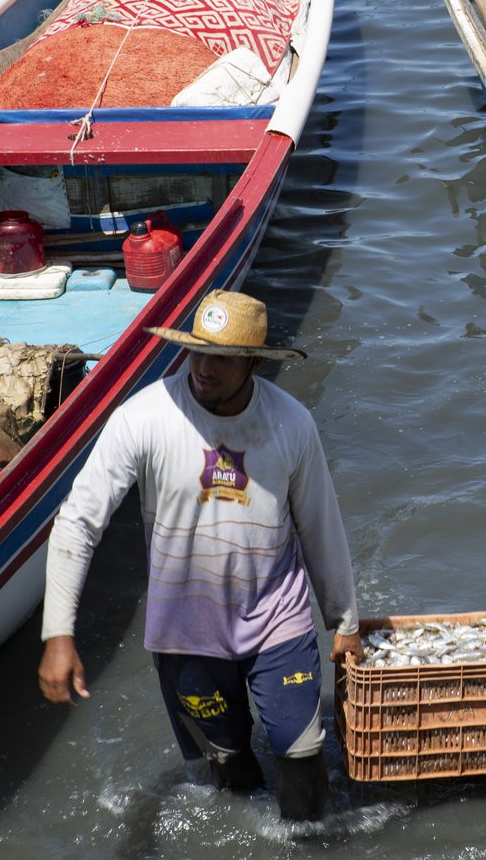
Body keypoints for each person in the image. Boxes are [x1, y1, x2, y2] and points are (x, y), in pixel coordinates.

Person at [37, 289, 361, 822]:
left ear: (254, 363)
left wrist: (344, 619)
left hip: (278, 616)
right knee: (230, 769)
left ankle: (308, 844)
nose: (204, 368)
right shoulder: (141, 420)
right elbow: (78, 521)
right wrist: (58, 633)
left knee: (302, 760)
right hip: (186, 629)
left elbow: (321, 524)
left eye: (223, 358)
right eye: (197, 351)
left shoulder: (291, 424)